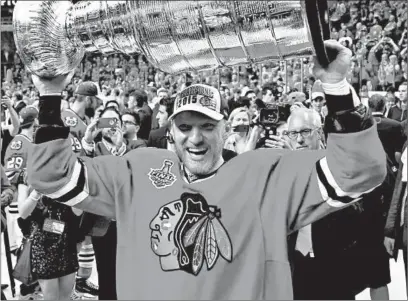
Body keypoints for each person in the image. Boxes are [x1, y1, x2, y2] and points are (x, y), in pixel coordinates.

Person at [27, 40, 386, 299]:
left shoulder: (264, 177)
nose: (195, 138)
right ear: (171, 132)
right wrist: (49, 96)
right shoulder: (139, 171)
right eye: (185, 127)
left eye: (207, 126)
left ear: (226, 130)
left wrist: (337, 86)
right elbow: (53, 176)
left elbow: (359, 172)